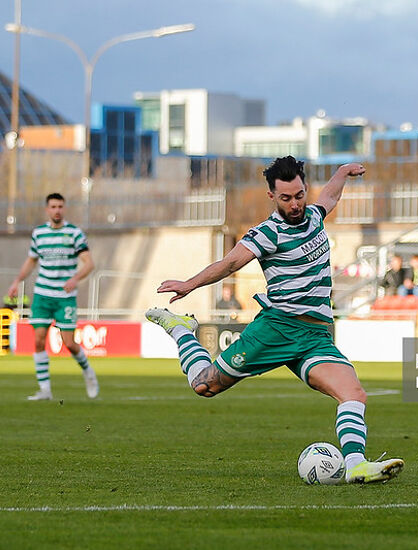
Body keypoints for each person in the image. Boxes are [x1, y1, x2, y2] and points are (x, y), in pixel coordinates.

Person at [145, 156, 403, 484]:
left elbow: (331, 197)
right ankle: (182, 330)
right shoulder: (266, 233)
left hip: (316, 336)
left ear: (305, 189)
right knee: (204, 386)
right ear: (272, 196)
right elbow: (229, 264)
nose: (294, 204)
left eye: (299, 195)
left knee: (354, 394)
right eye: (285, 198)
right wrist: (188, 284)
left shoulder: (314, 216)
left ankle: (355, 465)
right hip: (277, 329)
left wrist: (341, 173)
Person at [7, 193, 98, 401]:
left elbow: (89, 263)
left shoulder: (74, 233)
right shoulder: (39, 234)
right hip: (42, 294)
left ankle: (88, 371)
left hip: (64, 296)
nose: (57, 210)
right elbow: (31, 261)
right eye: (53, 206)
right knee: (38, 340)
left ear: (64, 209)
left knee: (69, 342)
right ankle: (45, 390)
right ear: (47, 209)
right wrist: (16, 281)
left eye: (60, 206)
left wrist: (75, 279)